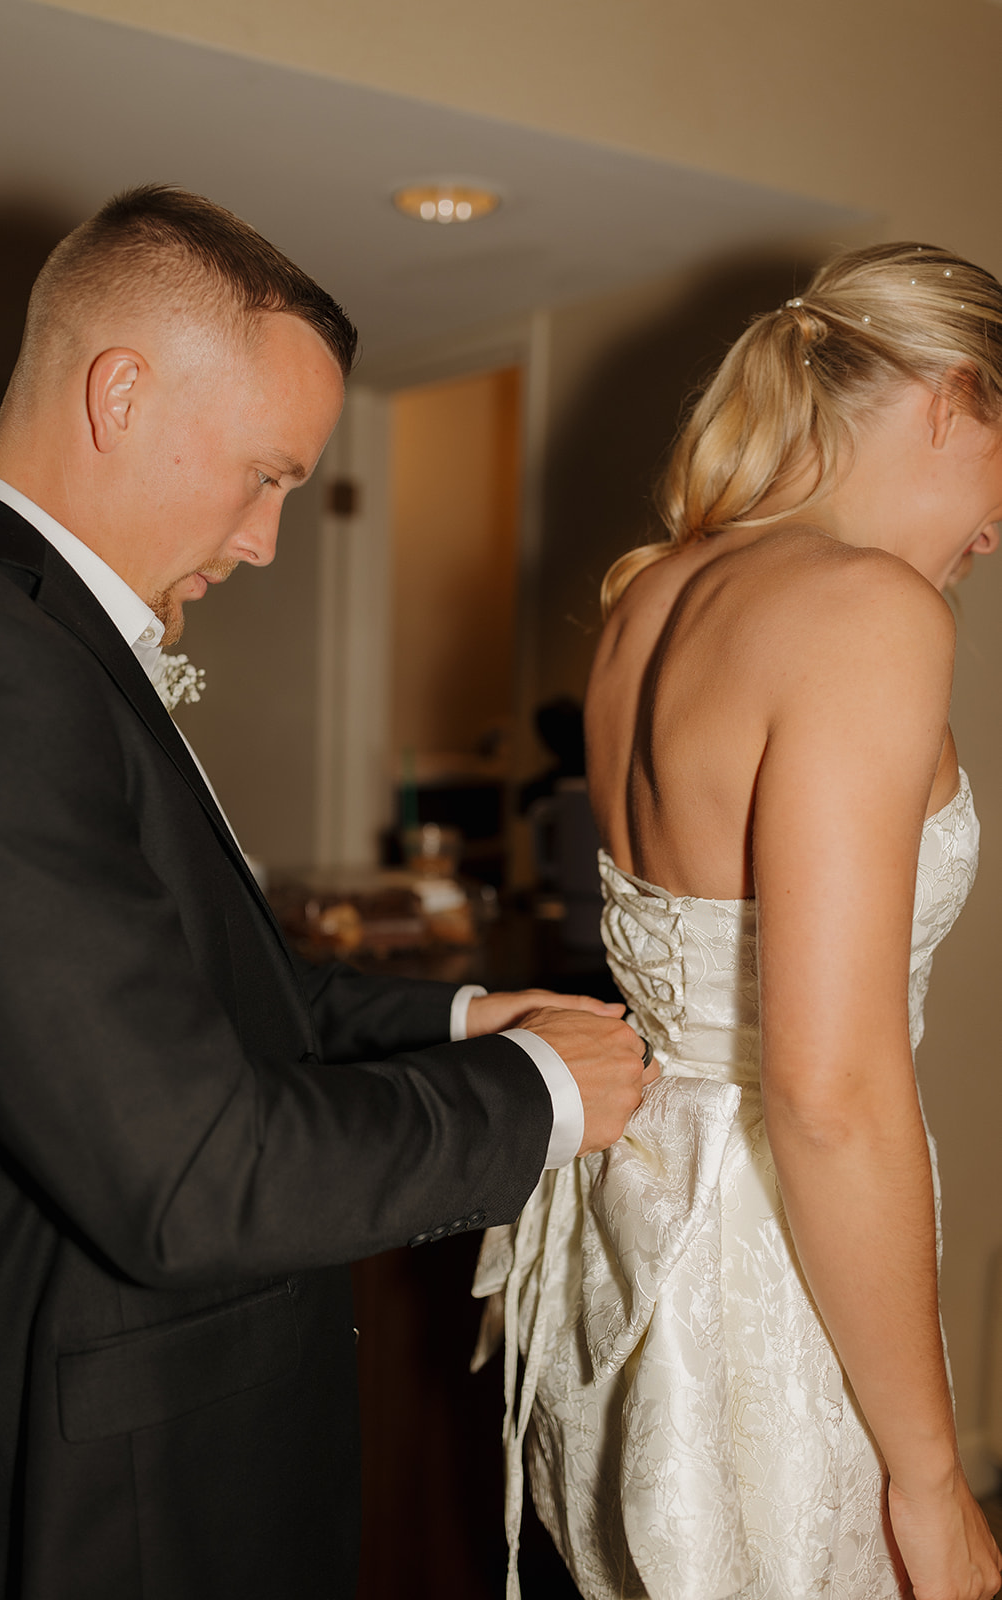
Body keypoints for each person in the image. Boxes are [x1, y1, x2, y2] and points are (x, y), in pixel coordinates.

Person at [0, 184, 652, 1600]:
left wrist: (449, 1019)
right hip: (103, 1502)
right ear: (120, 393)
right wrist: (536, 1097)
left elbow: (191, 987)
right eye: (264, 473)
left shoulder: (29, 625)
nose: (268, 539)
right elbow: (195, 1172)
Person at [473, 242, 1002, 1600]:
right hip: (775, 1265)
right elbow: (823, 1093)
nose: (998, 531)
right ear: (954, 400)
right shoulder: (868, 613)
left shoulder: (648, 599)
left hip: (633, 1232)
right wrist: (934, 1479)